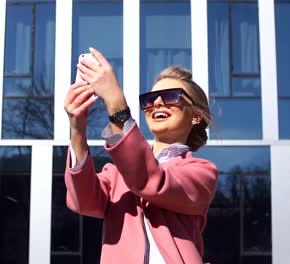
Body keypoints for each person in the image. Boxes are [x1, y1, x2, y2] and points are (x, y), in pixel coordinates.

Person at [63, 47, 218, 264]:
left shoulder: (202, 172)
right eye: (150, 99)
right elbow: (83, 201)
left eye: (171, 96)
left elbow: (151, 180)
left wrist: (115, 101)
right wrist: (77, 128)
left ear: (196, 117)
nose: (157, 103)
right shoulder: (116, 173)